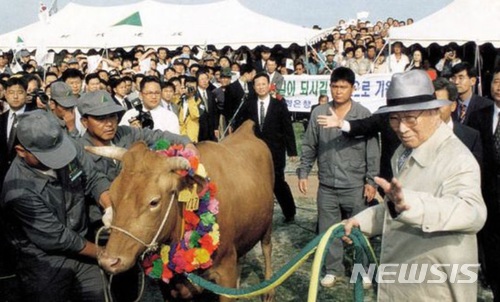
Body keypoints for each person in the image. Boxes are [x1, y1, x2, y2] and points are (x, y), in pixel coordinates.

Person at [342, 70, 486, 301]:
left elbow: (472, 212)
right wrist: (362, 221)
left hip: (434, 289)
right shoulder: (404, 152)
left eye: (410, 118)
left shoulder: (457, 157)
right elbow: (394, 207)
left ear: (434, 112)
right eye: (394, 119)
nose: (402, 128)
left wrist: (411, 206)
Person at [0, 110, 112, 302]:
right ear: (21, 151)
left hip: (83, 247)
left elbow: (93, 178)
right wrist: (102, 253)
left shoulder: (67, 147)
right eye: (47, 156)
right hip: (44, 261)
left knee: (101, 294)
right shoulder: (18, 191)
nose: (60, 159)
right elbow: (57, 237)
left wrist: (110, 207)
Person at [297, 67, 379, 288]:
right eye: (335, 86)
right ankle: (334, 269)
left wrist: (371, 181)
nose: (338, 91)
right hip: (327, 185)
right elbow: (309, 145)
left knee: (362, 231)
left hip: (355, 185)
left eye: (343, 87)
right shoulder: (319, 113)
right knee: (329, 230)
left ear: (353, 88)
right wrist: (304, 172)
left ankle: (362, 271)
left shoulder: (363, 114)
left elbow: (372, 150)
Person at [240, 72, 298, 223]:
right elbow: (241, 126)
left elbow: (287, 129)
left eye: (263, 84)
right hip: (254, 152)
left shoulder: (279, 104)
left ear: (269, 85)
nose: (260, 87)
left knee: (277, 181)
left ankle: (289, 212)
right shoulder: (248, 105)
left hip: (276, 151)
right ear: (254, 87)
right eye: (257, 84)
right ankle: (256, 214)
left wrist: (292, 151)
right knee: (255, 182)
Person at [468, 67, 500, 301]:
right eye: (496, 81)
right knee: (489, 241)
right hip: (486, 190)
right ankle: (492, 279)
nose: (498, 86)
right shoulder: (480, 114)